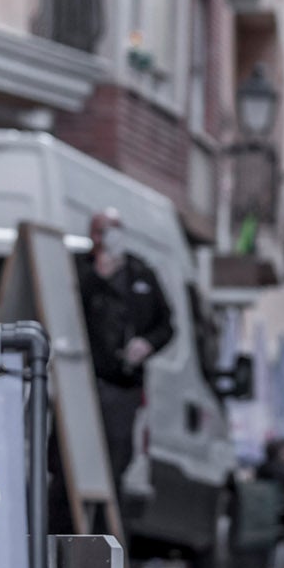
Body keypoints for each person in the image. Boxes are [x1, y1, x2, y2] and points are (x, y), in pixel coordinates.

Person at [77, 208, 175, 512]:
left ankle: (109, 532)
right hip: (80, 385)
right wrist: (97, 276)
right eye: (102, 231)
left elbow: (166, 324)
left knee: (116, 458)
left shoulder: (140, 273)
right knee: (74, 457)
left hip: (122, 386)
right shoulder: (79, 270)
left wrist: (147, 344)